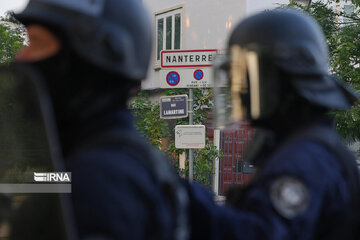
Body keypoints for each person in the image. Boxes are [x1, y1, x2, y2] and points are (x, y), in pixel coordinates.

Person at [11, 0, 188, 239]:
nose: (20, 58)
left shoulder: (98, 181)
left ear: (85, 63)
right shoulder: (141, 163)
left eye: (38, 43)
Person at [186, 8, 360, 240]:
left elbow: (260, 234)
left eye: (245, 77)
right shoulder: (297, 146)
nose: (238, 89)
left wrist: (183, 195)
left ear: (277, 80)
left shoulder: (304, 158)